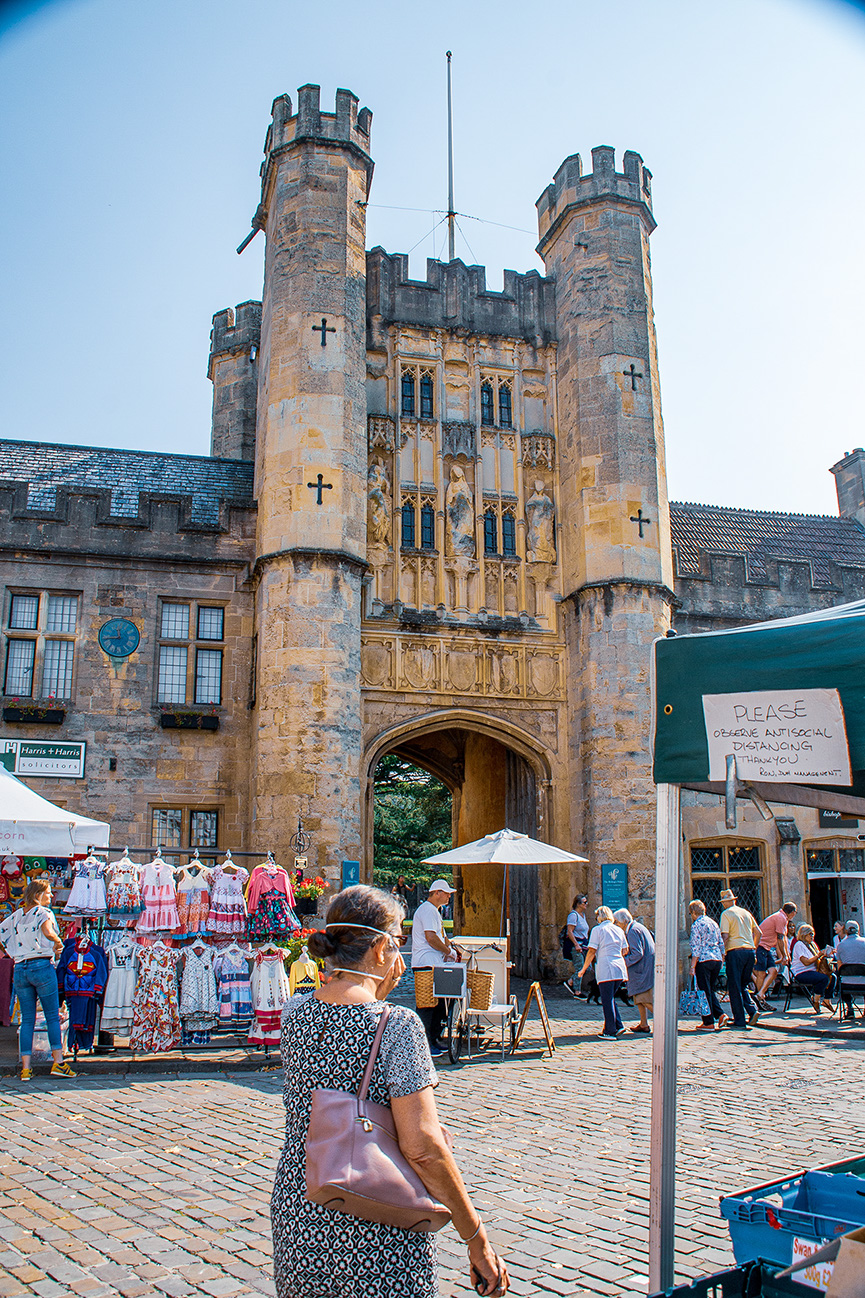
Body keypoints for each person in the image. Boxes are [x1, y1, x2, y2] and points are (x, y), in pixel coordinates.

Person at [271, 884, 508, 1298]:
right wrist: (476, 1237)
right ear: (381, 950)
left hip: (301, 1203)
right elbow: (424, 1149)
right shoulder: (397, 1025)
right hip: (374, 1215)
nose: (400, 957)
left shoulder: (294, 1012)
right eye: (399, 944)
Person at [0, 879, 76, 1079]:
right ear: (38, 895)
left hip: (21, 968)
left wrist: (11, 952)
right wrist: (59, 943)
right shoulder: (44, 913)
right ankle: (58, 1063)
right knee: (52, 1016)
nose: (51, 896)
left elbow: (1, 935)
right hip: (41, 965)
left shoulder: (16, 915)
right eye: (48, 893)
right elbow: (48, 932)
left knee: (27, 1020)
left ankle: (26, 1068)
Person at [410, 880, 459, 1057]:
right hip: (425, 963)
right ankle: (424, 1043)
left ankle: (434, 1037)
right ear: (437, 892)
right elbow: (431, 937)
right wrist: (448, 951)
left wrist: (450, 948)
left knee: (438, 1003)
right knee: (427, 1006)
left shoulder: (434, 912)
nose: (449, 896)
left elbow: (441, 936)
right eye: (446, 893)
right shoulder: (428, 911)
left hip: (433, 963)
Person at [577, 905, 629, 1040]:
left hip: (606, 967)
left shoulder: (597, 930)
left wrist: (583, 969)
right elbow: (625, 949)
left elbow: (592, 951)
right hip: (619, 967)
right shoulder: (618, 930)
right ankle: (618, 1025)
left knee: (607, 999)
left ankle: (610, 1031)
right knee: (610, 997)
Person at [719, 888, 762, 1030]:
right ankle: (752, 1010)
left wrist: (721, 953)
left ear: (726, 903)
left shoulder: (726, 914)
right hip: (749, 952)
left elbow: (725, 936)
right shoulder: (746, 913)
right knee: (743, 985)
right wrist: (753, 948)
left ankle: (740, 1019)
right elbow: (758, 933)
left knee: (734, 987)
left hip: (735, 951)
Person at [688, 899, 727, 1031]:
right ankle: (720, 1015)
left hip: (704, 961)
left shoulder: (696, 925)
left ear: (693, 913)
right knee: (709, 989)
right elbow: (721, 942)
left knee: (704, 991)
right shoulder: (713, 923)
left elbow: (696, 947)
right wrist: (722, 958)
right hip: (716, 959)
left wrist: (692, 966)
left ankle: (708, 1021)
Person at [614, 909, 655, 1033]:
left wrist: (623, 962)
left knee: (643, 998)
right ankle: (644, 1024)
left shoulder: (632, 931)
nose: (616, 925)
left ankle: (665, 1020)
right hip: (645, 968)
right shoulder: (637, 927)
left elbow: (637, 953)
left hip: (642, 970)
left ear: (623, 922)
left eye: (617, 922)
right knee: (639, 998)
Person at [754, 902, 797, 1007]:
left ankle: (760, 994)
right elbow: (780, 939)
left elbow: (784, 939)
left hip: (766, 947)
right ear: (793, 913)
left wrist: (786, 955)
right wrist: (784, 955)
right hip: (761, 946)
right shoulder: (780, 918)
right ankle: (759, 1000)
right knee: (761, 973)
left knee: (773, 971)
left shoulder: (782, 918)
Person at [790, 923, 834, 1013]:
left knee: (833, 977)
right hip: (801, 972)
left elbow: (817, 959)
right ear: (804, 934)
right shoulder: (799, 945)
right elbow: (806, 962)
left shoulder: (812, 945)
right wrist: (819, 955)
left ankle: (827, 1000)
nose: (812, 936)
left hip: (813, 970)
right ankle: (816, 999)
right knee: (824, 979)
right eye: (810, 934)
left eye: (813, 933)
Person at [834, 920, 865, 1021]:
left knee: (841, 980)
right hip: (863, 982)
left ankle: (850, 1008)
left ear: (846, 931)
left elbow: (839, 967)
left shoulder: (841, 945)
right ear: (858, 930)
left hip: (847, 983)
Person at [563, 894, 589, 998]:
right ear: (578, 904)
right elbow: (570, 931)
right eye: (584, 902)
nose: (586, 904)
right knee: (580, 967)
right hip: (577, 945)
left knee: (587, 968)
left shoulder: (583, 915)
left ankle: (570, 981)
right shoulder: (573, 916)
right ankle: (577, 992)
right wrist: (576, 945)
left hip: (584, 945)